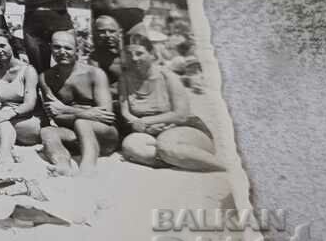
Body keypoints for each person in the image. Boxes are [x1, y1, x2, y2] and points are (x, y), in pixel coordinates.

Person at [118, 35, 225, 172]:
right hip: (150, 132)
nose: (134, 58)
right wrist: (142, 127)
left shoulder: (168, 76)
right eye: (129, 54)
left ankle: (226, 168)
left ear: (151, 54)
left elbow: (181, 115)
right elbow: (125, 111)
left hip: (184, 129)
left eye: (139, 53)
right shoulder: (125, 77)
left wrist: (145, 121)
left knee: (165, 146)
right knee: (130, 145)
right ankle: (180, 159)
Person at [38, 31, 118, 177]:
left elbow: (107, 115)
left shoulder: (94, 73)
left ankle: (87, 167)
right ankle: (61, 164)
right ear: (51, 48)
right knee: (47, 131)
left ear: (77, 50)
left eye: (67, 48)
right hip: (74, 137)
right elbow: (56, 116)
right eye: (57, 47)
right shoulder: (46, 77)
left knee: (82, 123)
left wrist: (66, 109)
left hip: (104, 137)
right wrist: (85, 112)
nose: (62, 52)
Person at [0, 28, 42, 146]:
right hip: (1, 118)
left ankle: (4, 151)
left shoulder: (28, 70)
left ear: (11, 45)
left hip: (25, 120)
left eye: (2, 45)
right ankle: (7, 152)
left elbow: (29, 104)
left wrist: (6, 114)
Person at [88, 14, 124, 95]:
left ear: (120, 32)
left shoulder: (132, 53)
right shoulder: (96, 58)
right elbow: (98, 87)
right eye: (102, 31)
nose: (107, 35)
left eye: (112, 31)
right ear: (95, 34)